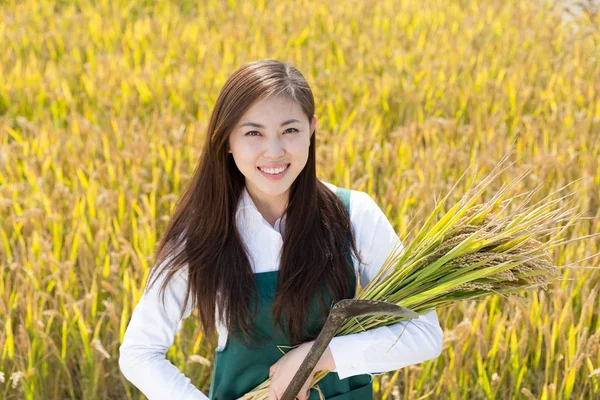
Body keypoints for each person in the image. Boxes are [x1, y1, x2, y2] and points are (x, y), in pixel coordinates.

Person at [118, 59, 444, 400]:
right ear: (227, 140)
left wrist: (319, 357)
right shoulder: (203, 233)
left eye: (290, 130)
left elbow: (423, 333)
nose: (273, 151)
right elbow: (140, 351)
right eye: (253, 133)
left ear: (312, 129)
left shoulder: (354, 215)